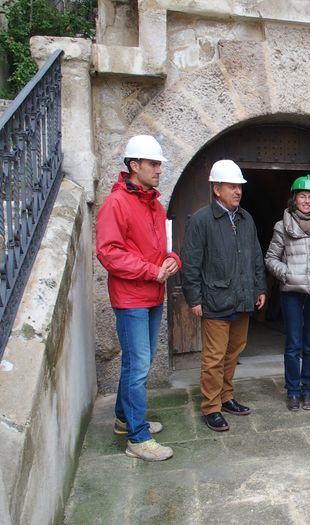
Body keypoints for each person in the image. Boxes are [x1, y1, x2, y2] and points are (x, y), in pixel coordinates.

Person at [96, 134, 180, 461]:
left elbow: (162, 248)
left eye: (160, 164)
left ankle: (123, 419)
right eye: (154, 164)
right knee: (139, 365)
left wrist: (173, 259)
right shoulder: (116, 203)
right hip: (131, 298)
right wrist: (150, 270)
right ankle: (137, 438)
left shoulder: (155, 205)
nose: (160, 170)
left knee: (136, 363)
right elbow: (109, 253)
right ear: (134, 165)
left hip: (152, 294)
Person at [181, 160, 266, 432]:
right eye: (232, 186)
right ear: (217, 189)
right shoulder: (202, 220)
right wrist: (194, 299)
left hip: (242, 299)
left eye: (239, 186)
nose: (238, 191)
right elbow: (191, 262)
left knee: (234, 352)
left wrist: (260, 288)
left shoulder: (246, 218)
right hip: (215, 300)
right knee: (214, 357)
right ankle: (211, 406)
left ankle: (226, 397)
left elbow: (255, 255)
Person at [265, 175, 310, 411]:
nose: (306, 201)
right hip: (291, 291)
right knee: (294, 343)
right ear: (294, 199)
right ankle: (293, 390)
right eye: (302, 196)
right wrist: (286, 273)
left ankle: (309, 390)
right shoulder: (282, 226)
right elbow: (271, 258)